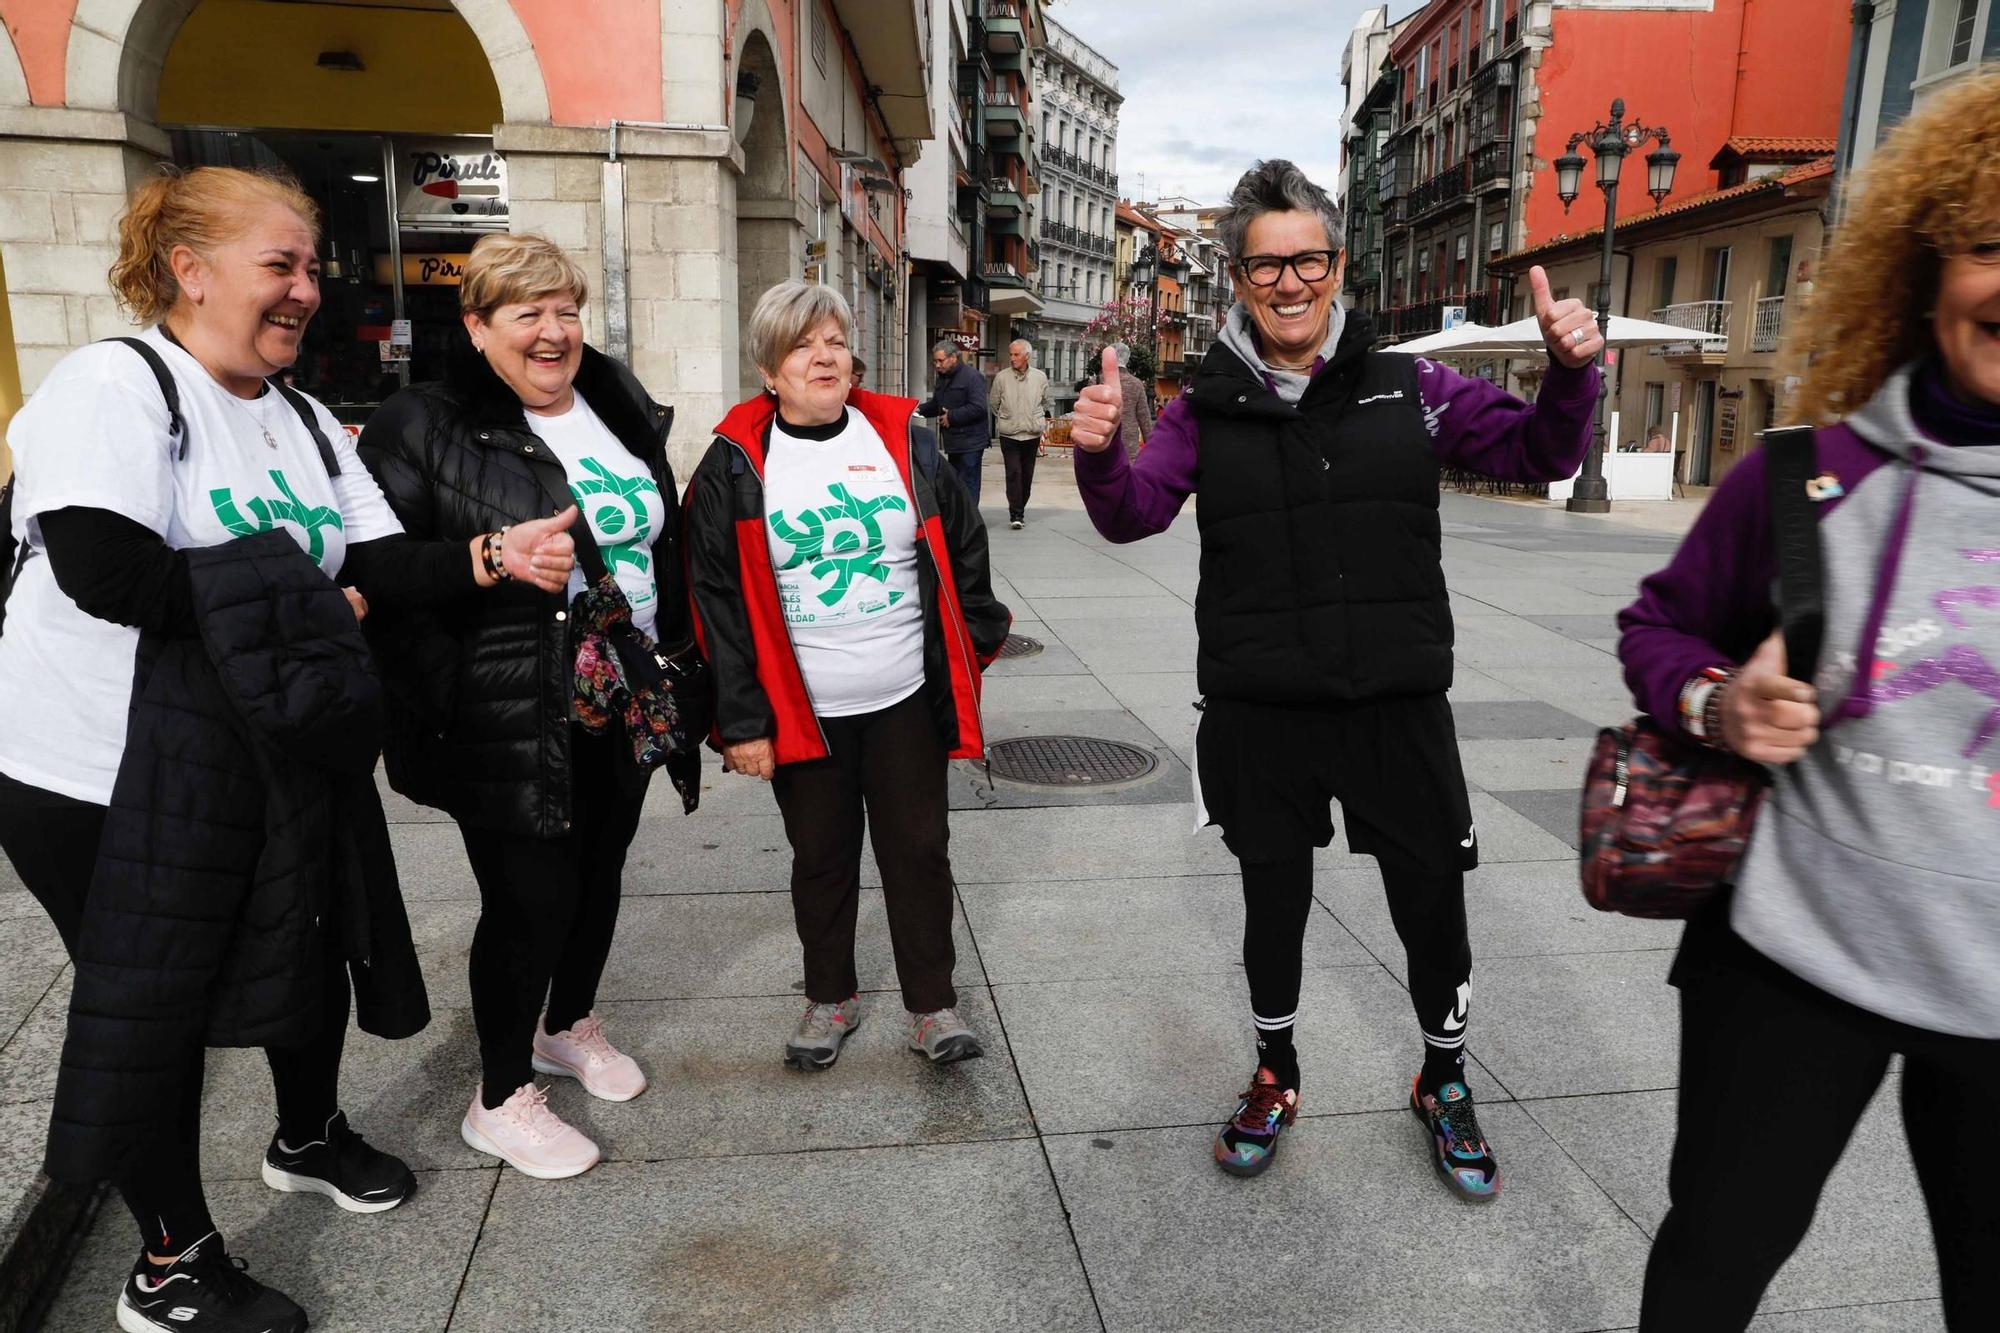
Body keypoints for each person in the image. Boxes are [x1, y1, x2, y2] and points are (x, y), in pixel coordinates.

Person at [0, 166, 526, 1333]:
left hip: (261, 747)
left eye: (309, 267)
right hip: (101, 773)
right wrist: (302, 602)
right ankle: (170, 1263)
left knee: (310, 939)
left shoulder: (293, 414)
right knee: (153, 1005)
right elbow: (109, 573)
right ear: (187, 270)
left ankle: (306, 1134)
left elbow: (372, 564)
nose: (305, 290)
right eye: (278, 265)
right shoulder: (115, 384)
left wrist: (492, 559)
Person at [1068, 159, 1600, 1189]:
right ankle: (1274, 1070)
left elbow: (1535, 452)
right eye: (1264, 265)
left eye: (1306, 258)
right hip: (1259, 704)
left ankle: (1443, 1077)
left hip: (1395, 701)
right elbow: (1130, 513)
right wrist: (1096, 455)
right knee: (1272, 903)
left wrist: (1569, 372)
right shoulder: (1203, 405)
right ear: (1235, 277)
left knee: (1429, 901)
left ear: (1336, 263)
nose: (1288, 282)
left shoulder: (1412, 385)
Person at [1620, 70, 2000, 1333]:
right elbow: (1658, 627)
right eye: (1990, 244)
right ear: (1920, 266)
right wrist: (1717, 703)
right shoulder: (1809, 476)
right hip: (1787, 964)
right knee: (1708, 1272)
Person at [360, 232, 690, 1181]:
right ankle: (499, 1094)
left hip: (621, 694)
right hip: (505, 704)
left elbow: (655, 532)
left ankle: (564, 1024)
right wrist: (492, 563)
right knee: (528, 898)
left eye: (567, 311)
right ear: (475, 326)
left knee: (599, 873)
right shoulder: (421, 423)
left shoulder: (615, 400)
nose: (554, 334)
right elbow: (378, 570)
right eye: (527, 314)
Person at [685, 281, 1010, 1073]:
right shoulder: (733, 462)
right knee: (821, 856)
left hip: (903, 695)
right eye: (801, 345)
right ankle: (829, 995)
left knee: (920, 850)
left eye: (833, 339)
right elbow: (716, 602)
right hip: (806, 710)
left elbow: (964, 547)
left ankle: (932, 1004)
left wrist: (972, 641)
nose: (823, 356)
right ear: (769, 369)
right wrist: (742, 721)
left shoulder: (905, 439)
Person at [917, 339, 990, 506]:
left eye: (940, 361)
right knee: (956, 484)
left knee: (968, 485)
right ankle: (960, 521)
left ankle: (971, 524)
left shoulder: (972, 377)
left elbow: (979, 407)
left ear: (954, 358)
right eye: (935, 361)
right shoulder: (942, 378)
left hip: (971, 442)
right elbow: (937, 405)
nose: (937, 365)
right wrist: (915, 410)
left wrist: (952, 416)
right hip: (954, 442)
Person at [990, 339, 1052, 529]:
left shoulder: (1040, 377)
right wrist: (1006, 417)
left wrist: (1037, 418)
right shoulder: (1001, 377)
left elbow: (1047, 402)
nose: (1012, 358)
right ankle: (1016, 514)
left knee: (1026, 475)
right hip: (1010, 434)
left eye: (1016, 354)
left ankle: (1019, 507)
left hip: (1032, 434)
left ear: (1027, 356)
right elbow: (994, 403)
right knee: (1014, 473)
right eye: (1011, 354)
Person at [1108, 341, 1154, 457]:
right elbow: (1144, 419)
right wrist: (1152, 448)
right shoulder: (1136, 384)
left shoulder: (1097, 381)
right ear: (1127, 359)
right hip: (1129, 447)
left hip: (1104, 444)